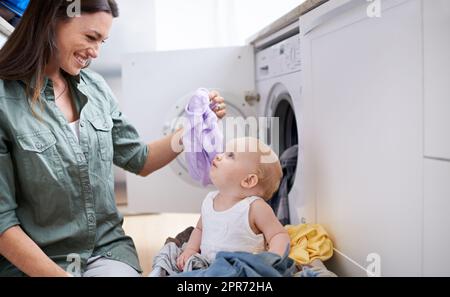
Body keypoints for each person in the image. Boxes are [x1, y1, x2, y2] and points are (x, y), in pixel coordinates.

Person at [0, 0, 226, 277]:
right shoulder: (4, 101)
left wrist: (193, 129)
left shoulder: (95, 88)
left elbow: (140, 159)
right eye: (90, 37)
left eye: (102, 42)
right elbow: (2, 221)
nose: (94, 52)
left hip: (104, 251)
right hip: (35, 261)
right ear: (50, 22)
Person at [176, 137, 290, 271]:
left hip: (242, 270)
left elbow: (278, 235)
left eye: (230, 155)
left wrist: (272, 258)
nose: (219, 156)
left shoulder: (254, 207)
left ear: (248, 180)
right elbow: (200, 230)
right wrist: (190, 249)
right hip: (208, 267)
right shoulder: (209, 200)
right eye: (224, 152)